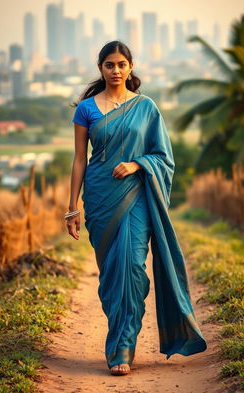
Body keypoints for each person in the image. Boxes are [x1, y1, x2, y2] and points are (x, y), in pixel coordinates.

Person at [66, 40, 207, 376]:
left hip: (136, 197)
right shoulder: (86, 109)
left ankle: (122, 348)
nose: (115, 71)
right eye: (109, 65)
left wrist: (136, 165)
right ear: (100, 68)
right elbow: (78, 159)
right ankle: (120, 332)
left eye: (121, 64)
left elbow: (163, 157)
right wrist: (72, 208)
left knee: (131, 267)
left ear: (131, 67)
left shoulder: (146, 108)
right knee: (112, 275)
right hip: (99, 197)